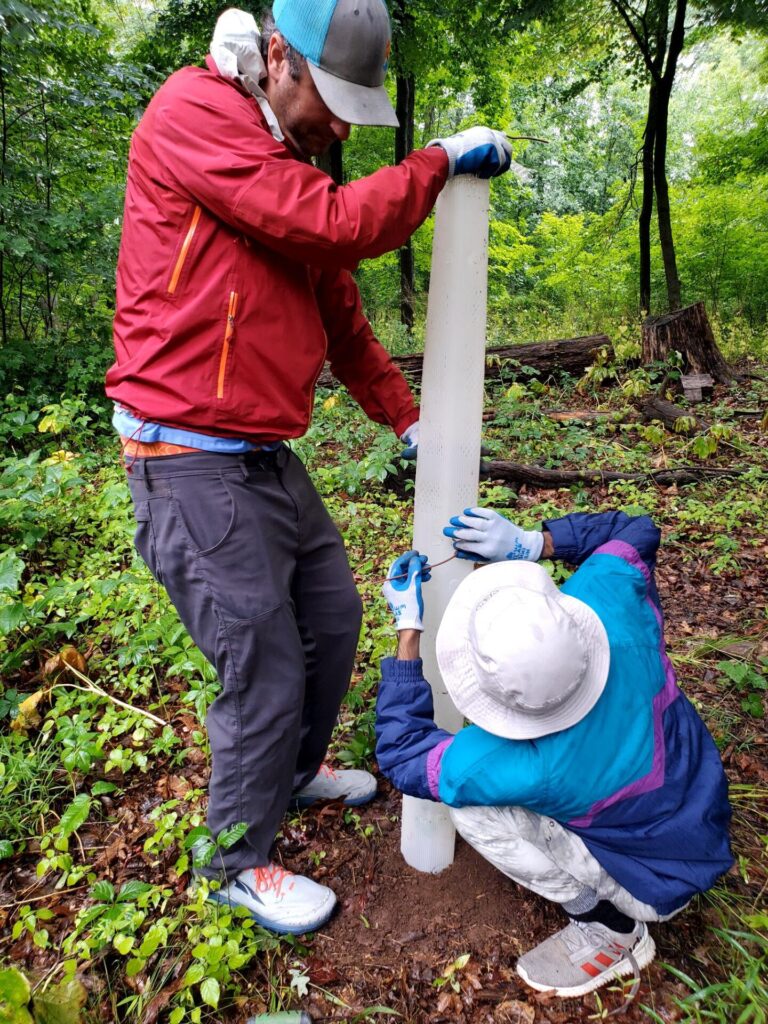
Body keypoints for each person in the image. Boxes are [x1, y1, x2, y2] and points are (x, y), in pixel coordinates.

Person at [105, 0, 511, 935]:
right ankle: (235, 861)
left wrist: (410, 424)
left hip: (260, 454)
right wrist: (438, 160)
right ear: (276, 55)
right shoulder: (193, 114)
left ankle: (287, 775)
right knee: (265, 666)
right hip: (184, 455)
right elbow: (334, 224)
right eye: (329, 100)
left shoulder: (287, 167)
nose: (337, 125)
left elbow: (342, 319)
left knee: (332, 616)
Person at [376, 508, 732, 996]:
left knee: (474, 816)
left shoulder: (512, 761)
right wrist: (530, 543)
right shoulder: (610, 601)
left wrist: (407, 630)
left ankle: (612, 929)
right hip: (703, 818)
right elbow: (637, 528)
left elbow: (402, 755)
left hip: (653, 886)